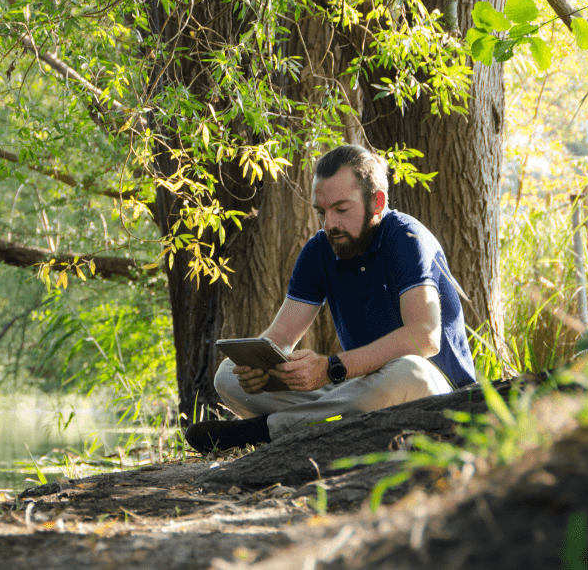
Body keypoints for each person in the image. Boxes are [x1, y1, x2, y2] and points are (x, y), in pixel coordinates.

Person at [184, 144, 477, 453]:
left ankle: (271, 431)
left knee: (407, 370)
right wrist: (258, 368)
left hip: (436, 396)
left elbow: (425, 337)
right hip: (358, 390)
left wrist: (331, 368)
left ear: (377, 203)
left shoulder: (406, 238)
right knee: (228, 376)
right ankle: (325, 427)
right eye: (322, 212)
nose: (329, 224)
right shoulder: (321, 249)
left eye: (341, 209)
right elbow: (280, 338)